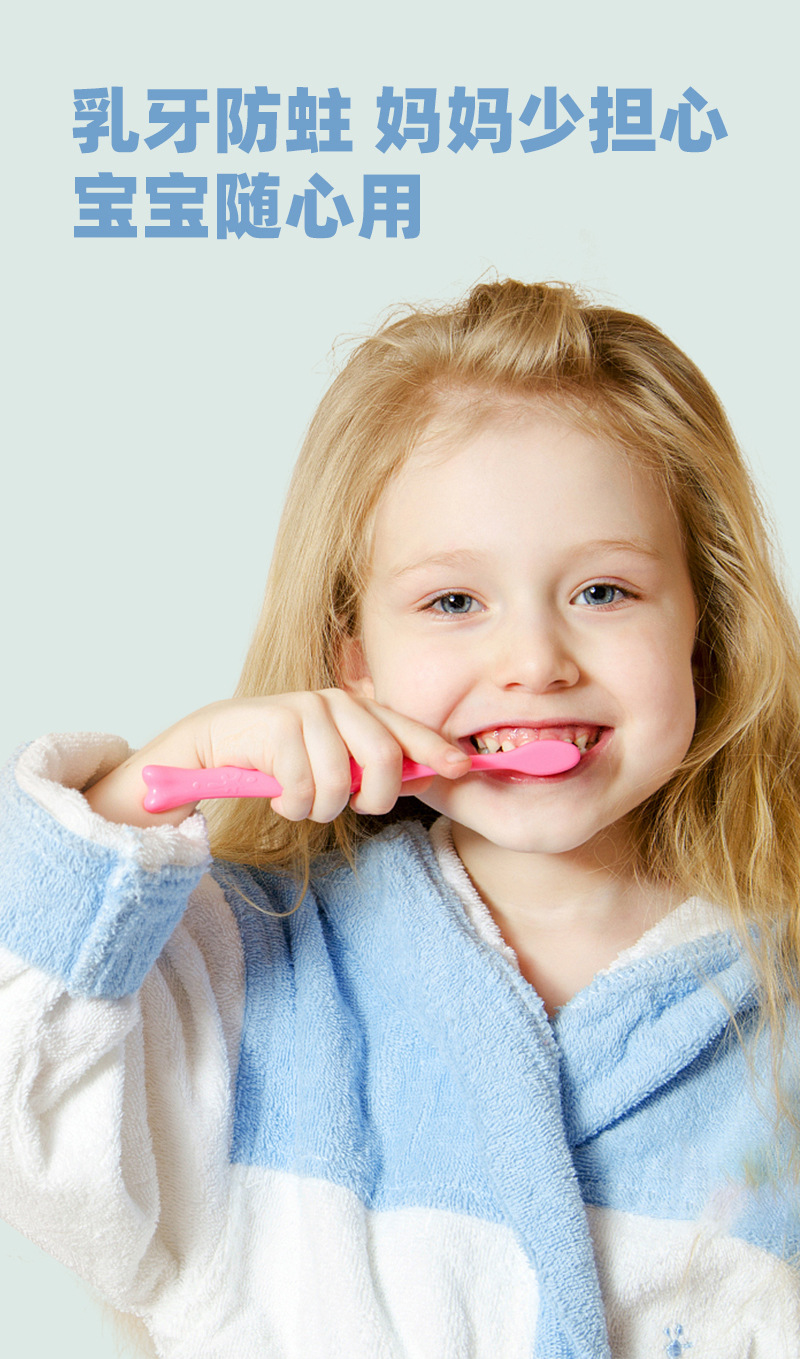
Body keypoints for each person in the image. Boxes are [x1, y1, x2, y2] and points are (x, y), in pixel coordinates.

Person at [0, 279, 798, 1359]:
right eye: (453, 602)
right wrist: (141, 793)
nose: (535, 663)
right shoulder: (241, 968)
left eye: (603, 592)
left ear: (702, 631)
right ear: (355, 660)